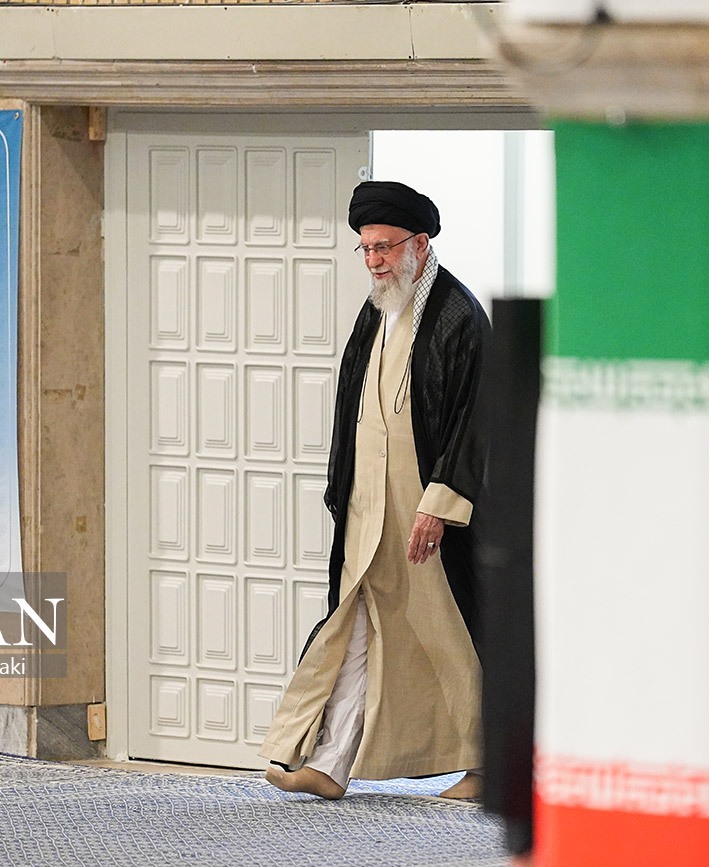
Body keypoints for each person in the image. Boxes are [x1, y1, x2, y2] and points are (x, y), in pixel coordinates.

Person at [259, 180, 489, 801]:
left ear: (419, 245)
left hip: (427, 510)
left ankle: (487, 764)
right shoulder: (378, 309)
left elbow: (477, 421)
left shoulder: (459, 316)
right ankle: (330, 762)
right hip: (370, 505)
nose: (374, 260)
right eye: (365, 249)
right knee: (355, 623)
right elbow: (352, 407)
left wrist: (439, 506)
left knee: (452, 633)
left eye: (384, 247)